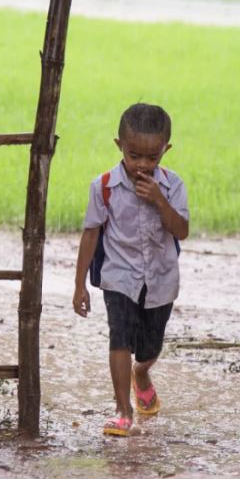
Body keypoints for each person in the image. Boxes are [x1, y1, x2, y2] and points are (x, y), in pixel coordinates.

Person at [72, 103, 189, 437]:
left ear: (165, 150)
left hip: (161, 279)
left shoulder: (173, 186)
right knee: (119, 336)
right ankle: (124, 412)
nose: (142, 164)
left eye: (152, 158)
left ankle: (142, 373)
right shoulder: (104, 185)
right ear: (119, 145)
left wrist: (159, 201)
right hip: (118, 275)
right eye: (133, 154)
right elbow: (91, 233)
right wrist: (79, 284)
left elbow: (181, 231)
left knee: (150, 348)